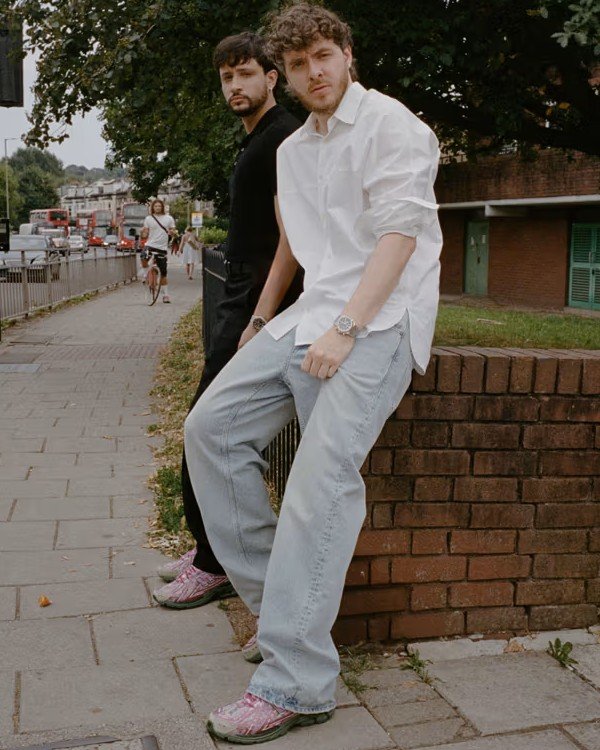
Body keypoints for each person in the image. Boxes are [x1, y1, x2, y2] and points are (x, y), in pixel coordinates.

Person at [184, 2, 442, 744]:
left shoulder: (395, 126)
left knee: (319, 480)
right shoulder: (295, 150)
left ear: (347, 54)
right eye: (298, 64)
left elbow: (398, 237)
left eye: (322, 55)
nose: (313, 72)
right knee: (211, 430)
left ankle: (297, 681)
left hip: (381, 321)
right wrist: (266, 323)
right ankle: (278, 612)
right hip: (310, 315)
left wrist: (347, 330)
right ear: (287, 76)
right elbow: (295, 246)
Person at [152, 32, 302, 609]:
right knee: (206, 424)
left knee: (206, 426)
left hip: (258, 304)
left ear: (271, 77)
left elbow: (292, 238)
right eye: (226, 77)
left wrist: (261, 318)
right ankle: (209, 549)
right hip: (242, 293)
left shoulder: (282, 139)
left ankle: (216, 566)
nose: (235, 86)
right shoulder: (259, 139)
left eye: (245, 74)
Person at [140, 198, 176, 303]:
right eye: (155, 206)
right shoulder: (148, 219)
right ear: (153, 208)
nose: (157, 208)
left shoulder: (169, 218)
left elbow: (173, 230)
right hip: (150, 245)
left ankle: (166, 295)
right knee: (143, 257)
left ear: (162, 207)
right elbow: (145, 235)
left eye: (159, 206)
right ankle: (145, 273)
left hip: (162, 247)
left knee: (164, 273)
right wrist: (142, 232)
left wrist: (172, 233)